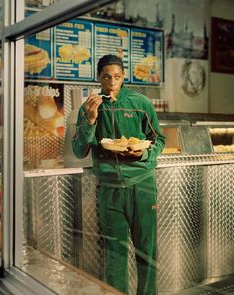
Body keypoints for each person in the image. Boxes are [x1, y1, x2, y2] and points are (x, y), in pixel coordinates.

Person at [72, 54, 165, 295]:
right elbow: (79, 150)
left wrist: (143, 154)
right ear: (99, 78)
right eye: (106, 77)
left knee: (147, 252)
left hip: (142, 185)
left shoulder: (141, 103)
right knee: (115, 255)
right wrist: (91, 121)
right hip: (109, 189)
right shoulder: (89, 108)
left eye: (117, 77)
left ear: (123, 77)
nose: (112, 82)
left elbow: (158, 140)